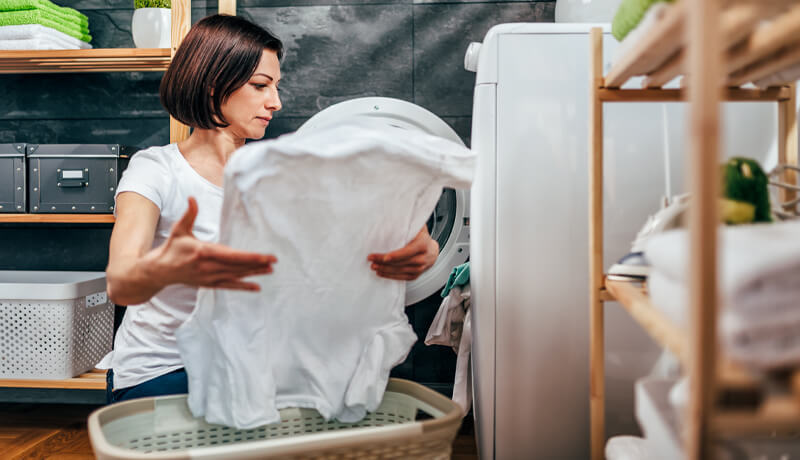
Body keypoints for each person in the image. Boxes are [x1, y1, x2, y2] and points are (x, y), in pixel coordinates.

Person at [102, 14, 440, 403]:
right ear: (214, 87)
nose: (275, 102)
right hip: (161, 372)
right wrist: (166, 269)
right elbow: (121, 282)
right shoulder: (157, 169)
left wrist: (422, 246)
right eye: (261, 86)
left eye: (276, 86)